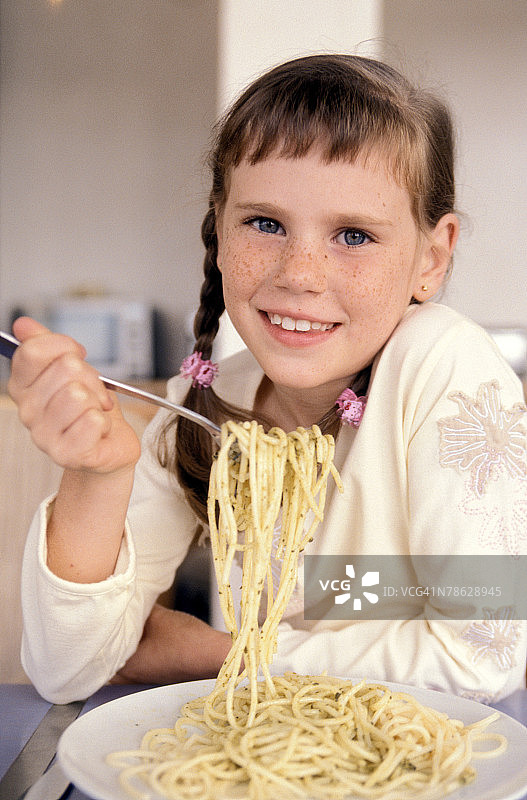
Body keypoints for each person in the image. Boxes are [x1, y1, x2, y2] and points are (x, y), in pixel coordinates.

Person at [9, 54, 526, 705]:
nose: (299, 273)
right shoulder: (202, 399)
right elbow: (67, 669)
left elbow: (484, 650)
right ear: (219, 231)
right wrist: (96, 475)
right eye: (264, 223)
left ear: (431, 257)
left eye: (354, 235)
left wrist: (225, 655)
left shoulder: (442, 363)